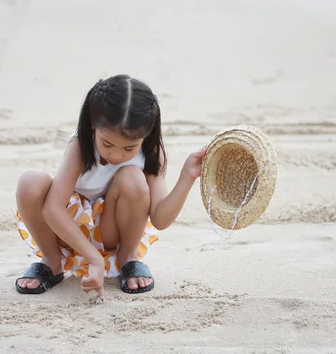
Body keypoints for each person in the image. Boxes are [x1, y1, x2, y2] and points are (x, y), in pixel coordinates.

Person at [14, 74, 206, 297]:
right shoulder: (80, 145)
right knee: (31, 181)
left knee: (132, 177)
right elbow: (52, 208)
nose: (116, 155)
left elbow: (160, 219)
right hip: (68, 229)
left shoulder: (150, 153)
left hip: (112, 229)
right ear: (93, 126)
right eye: (107, 144)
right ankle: (52, 260)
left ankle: (128, 258)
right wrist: (93, 259)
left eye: (129, 148)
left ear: (146, 136)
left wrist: (188, 176)